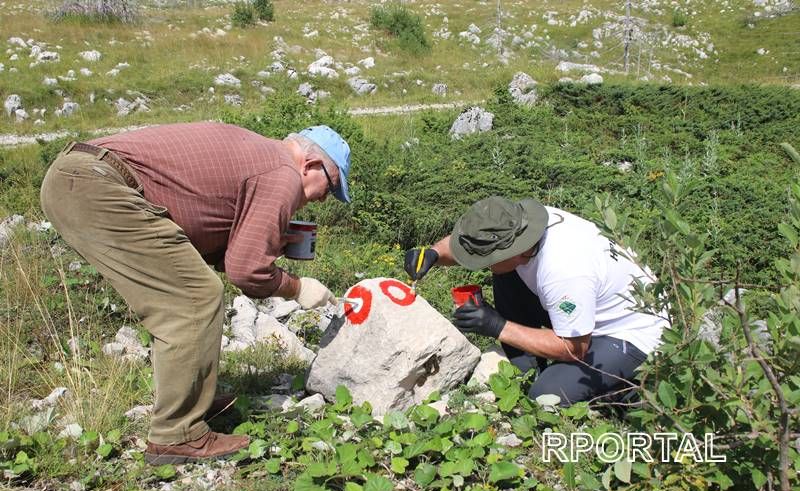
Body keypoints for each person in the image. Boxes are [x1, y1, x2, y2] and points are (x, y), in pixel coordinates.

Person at [40, 122, 351, 464]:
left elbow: (206, 233)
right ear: (310, 164)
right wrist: (298, 288)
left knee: (189, 289)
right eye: (331, 187)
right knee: (193, 297)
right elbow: (246, 272)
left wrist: (262, 241)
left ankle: (190, 402)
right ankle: (177, 436)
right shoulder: (283, 173)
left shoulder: (262, 155)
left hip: (79, 176)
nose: (323, 199)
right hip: (96, 185)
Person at [405, 196, 667, 406]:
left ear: (514, 251)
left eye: (485, 261)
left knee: (545, 395)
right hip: (585, 307)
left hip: (630, 335)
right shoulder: (520, 225)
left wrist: (498, 326)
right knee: (505, 277)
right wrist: (434, 253)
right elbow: (472, 243)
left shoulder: (563, 270)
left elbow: (574, 348)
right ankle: (528, 367)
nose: (481, 267)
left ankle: (625, 393)